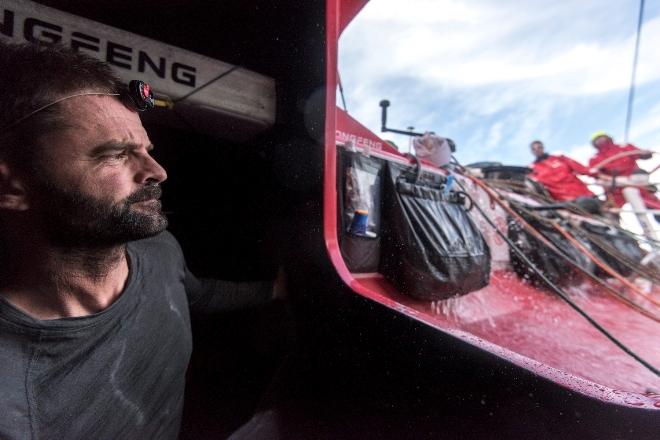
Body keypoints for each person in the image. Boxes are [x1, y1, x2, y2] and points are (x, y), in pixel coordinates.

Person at [0, 43, 280, 439]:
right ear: (10, 187)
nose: (157, 171)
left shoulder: (157, 248)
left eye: (147, 150)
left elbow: (195, 293)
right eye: (115, 155)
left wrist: (272, 291)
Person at [588, 131, 660, 216]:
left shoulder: (624, 147)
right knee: (611, 211)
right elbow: (594, 174)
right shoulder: (595, 159)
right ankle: (614, 226)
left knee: (654, 205)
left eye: (601, 137)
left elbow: (642, 155)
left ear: (607, 137)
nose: (600, 140)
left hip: (637, 181)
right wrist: (605, 178)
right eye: (597, 140)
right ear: (594, 143)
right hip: (615, 189)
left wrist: (646, 153)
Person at [528, 140, 596, 202]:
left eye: (539, 147)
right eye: (534, 149)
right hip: (563, 201)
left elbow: (582, 169)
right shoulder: (532, 169)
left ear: (543, 147)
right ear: (532, 152)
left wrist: (598, 176)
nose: (537, 150)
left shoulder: (560, 158)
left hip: (583, 193)